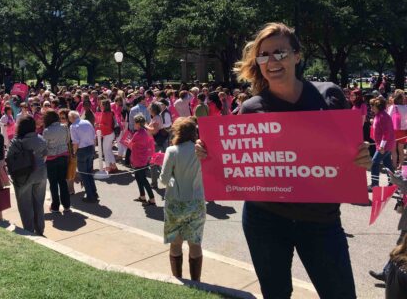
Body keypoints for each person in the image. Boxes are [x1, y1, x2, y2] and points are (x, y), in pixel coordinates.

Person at [196, 23, 371, 298]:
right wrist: (210, 155)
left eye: (280, 52)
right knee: (276, 294)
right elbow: (237, 166)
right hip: (265, 220)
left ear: (298, 55)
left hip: (321, 221)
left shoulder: (329, 95)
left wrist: (362, 158)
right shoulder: (251, 108)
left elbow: (349, 153)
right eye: (264, 55)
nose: (272, 60)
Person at [160, 117, 206, 282]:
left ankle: (178, 279)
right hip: (197, 202)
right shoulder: (201, 151)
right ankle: (196, 282)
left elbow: (164, 180)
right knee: (195, 244)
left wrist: (172, 178)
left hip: (175, 202)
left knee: (176, 242)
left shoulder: (172, 151)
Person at [7, 115, 48, 235]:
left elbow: (9, 158)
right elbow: (45, 156)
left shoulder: (17, 142)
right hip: (40, 173)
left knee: (25, 205)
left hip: (23, 175)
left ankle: (29, 230)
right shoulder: (40, 139)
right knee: (39, 203)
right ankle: (40, 229)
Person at [42, 110, 71, 213]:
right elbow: (67, 140)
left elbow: (44, 146)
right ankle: (67, 205)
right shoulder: (64, 127)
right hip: (63, 156)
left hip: (51, 158)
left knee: (53, 183)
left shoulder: (47, 131)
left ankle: (55, 206)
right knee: (63, 181)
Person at [68, 111, 99, 202]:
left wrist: (74, 152)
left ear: (72, 118)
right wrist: (93, 148)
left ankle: (90, 195)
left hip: (82, 150)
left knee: (84, 174)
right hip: (90, 148)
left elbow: (75, 142)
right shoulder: (87, 122)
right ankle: (93, 192)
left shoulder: (73, 126)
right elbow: (94, 136)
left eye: (70, 118)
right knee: (89, 172)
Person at [370, 97, 395, 190]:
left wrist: (381, 146)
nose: (371, 108)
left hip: (384, 146)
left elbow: (386, 133)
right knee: (388, 164)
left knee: (374, 163)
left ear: (378, 107)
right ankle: (393, 183)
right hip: (384, 145)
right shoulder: (379, 115)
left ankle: (374, 184)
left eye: (372, 106)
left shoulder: (383, 116)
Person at [130, 114, 155, 206]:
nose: (133, 124)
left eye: (134, 123)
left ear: (138, 124)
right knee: (138, 178)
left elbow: (130, 143)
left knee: (143, 179)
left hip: (139, 159)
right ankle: (142, 196)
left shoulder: (138, 134)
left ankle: (152, 199)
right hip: (141, 158)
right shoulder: (144, 132)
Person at [96, 99, 118, 173]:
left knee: (106, 151)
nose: (100, 105)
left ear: (104, 105)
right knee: (108, 151)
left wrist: (99, 125)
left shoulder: (105, 113)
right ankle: (113, 166)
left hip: (108, 134)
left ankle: (108, 166)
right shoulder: (110, 112)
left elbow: (107, 126)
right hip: (110, 134)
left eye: (101, 104)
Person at [387, 91, 407, 170]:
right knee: (401, 149)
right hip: (403, 130)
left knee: (393, 150)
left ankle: (394, 165)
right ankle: (401, 166)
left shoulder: (393, 107)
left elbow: (388, 117)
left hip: (393, 130)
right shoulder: (405, 107)